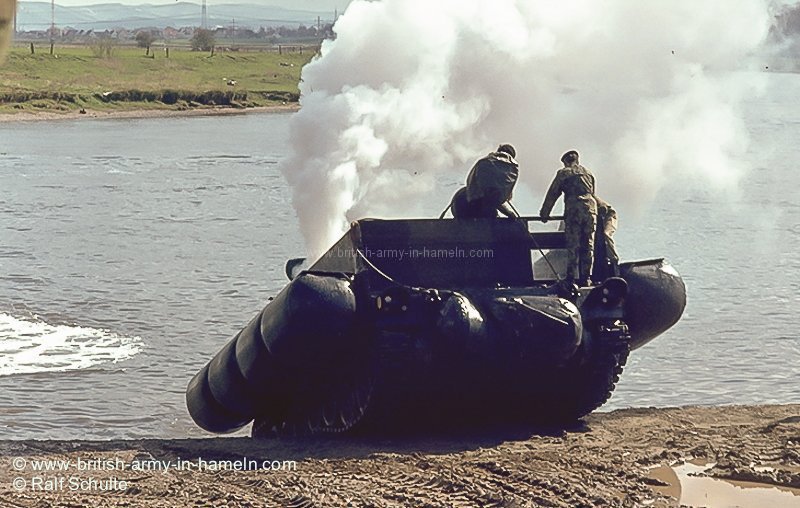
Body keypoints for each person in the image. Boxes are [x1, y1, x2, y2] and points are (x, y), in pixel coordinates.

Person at [539, 150, 597, 286]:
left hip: (574, 210)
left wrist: (544, 214)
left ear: (565, 162)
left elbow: (553, 193)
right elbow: (593, 193)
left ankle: (571, 278)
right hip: (591, 210)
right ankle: (586, 278)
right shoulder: (589, 173)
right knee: (589, 244)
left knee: (573, 244)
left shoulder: (564, 173)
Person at [451, 144, 519, 219]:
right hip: (477, 207)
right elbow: (493, 198)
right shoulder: (512, 169)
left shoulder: (484, 161)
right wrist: (509, 214)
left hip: (468, 202)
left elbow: (471, 182)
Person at [594, 195, 619, 277]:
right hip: (598, 219)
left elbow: (604, 209)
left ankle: (614, 259)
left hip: (609, 215)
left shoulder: (589, 198)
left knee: (606, 234)